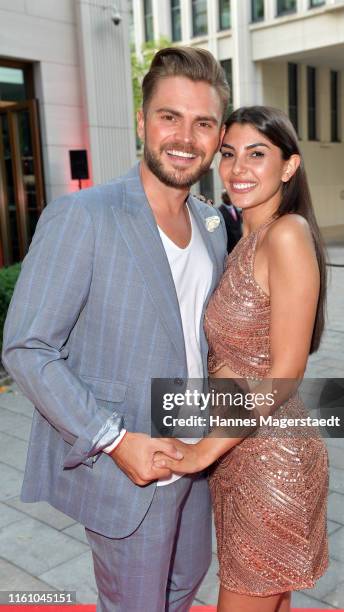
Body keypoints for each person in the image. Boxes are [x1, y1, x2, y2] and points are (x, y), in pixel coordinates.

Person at [1, 47, 229, 612]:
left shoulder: (210, 222)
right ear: (142, 122)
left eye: (203, 123)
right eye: (169, 117)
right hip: (126, 469)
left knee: (184, 589)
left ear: (218, 134)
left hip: (194, 458)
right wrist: (113, 439)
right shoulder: (84, 216)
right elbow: (27, 348)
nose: (184, 136)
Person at [154, 106, 329, 612]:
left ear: (289, 167)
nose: (237, 170)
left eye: (257, 154)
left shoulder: (286, 234)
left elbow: (286, 373)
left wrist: (200, 452)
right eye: (229, 154)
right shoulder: (244, 241)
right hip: (244, 454)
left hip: (270, 461)